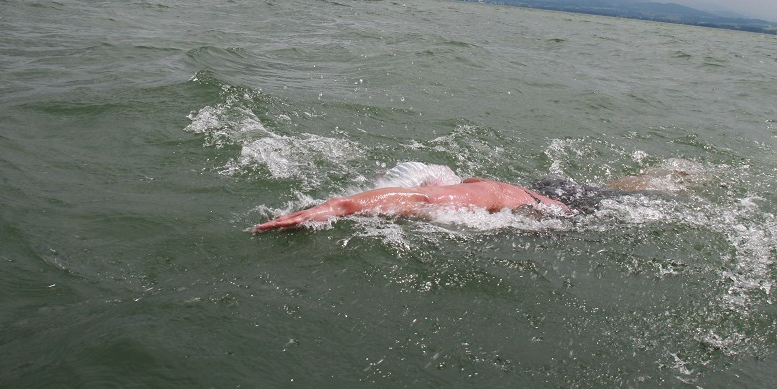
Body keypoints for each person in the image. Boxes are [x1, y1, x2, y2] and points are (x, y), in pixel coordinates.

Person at [252, 163, 687, 233]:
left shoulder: (483, 193)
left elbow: (419, 202)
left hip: (566, 207)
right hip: (541, 192)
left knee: (621, 193)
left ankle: (674, 178)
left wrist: (333, 208)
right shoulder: (477, 188)